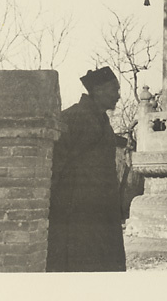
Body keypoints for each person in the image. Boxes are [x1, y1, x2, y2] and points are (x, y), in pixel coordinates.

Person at [46, 66, 126, 272]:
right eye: (114, 90)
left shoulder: (102, 120)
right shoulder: (74, 117)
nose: (118, 96)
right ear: (98, 90)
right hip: (77, 211)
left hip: (101, 209)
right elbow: (58, 163)